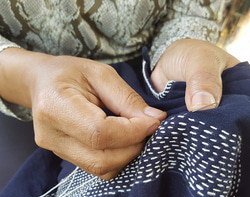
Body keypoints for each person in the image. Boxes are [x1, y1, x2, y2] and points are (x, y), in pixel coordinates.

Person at [0, 0, 240, 180]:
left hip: (150, 77)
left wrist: (181, 44)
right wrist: (28, 78)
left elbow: (194, 9)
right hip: (14, 92)